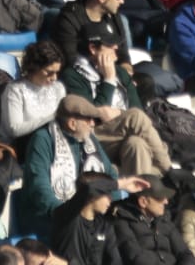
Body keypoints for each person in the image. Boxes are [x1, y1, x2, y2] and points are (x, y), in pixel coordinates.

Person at [61, 18, 171, 176]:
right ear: (93, 48)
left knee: (136, 144)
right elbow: (90, 116)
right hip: (93, 136)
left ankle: (137, 193)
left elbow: (136, 107)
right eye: (110, 44)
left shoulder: (120, 72)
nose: (116, 47)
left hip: (124, 136)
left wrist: (118, 114)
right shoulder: (73, 76)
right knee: (136, 118)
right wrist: (108, 81)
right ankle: (169, 171)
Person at [18, 96, 123, 246]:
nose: (93, 124)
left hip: (87, 214)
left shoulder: (89, 139)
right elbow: (39, 188)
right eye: (88, 120)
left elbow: (110, 176)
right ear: (73, 123)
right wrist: (69, 214)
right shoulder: (43, 139)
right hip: (48, 217)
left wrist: (114, 207)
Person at [114, 172, 195, 265]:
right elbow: (135, 257)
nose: (166, 201)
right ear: (143, 202)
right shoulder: (122, 220)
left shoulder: (164, 220)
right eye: (159, 198)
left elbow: (185, 254)